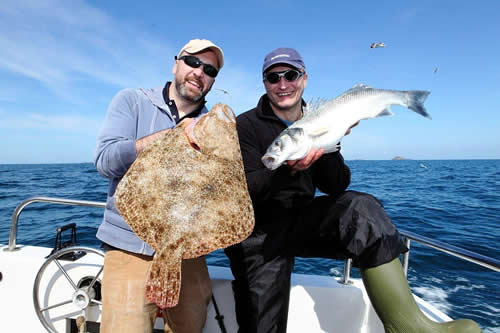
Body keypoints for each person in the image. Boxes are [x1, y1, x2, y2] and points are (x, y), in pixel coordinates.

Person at [224, 47, 481, 333]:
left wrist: (331, 141)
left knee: (364, 211)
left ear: (304, 78)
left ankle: (410, 327)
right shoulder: (245, 125)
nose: (283, 84)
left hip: (302, 220)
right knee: (262, 324)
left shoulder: (320, 117)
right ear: (265, 84)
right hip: (260, 233)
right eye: (274, 78)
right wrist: (288, 170)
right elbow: (245, 190)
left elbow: (335, 185)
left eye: (291, 75)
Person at [94, 39, 224, 333]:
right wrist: (169, 138)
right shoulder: (132, 101)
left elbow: (220, 190)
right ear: (176, 62)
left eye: (209, 70)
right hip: (130, 246)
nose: (199, 72)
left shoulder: (213, 125)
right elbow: (105, 161)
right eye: (192, 62)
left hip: (186, 253)